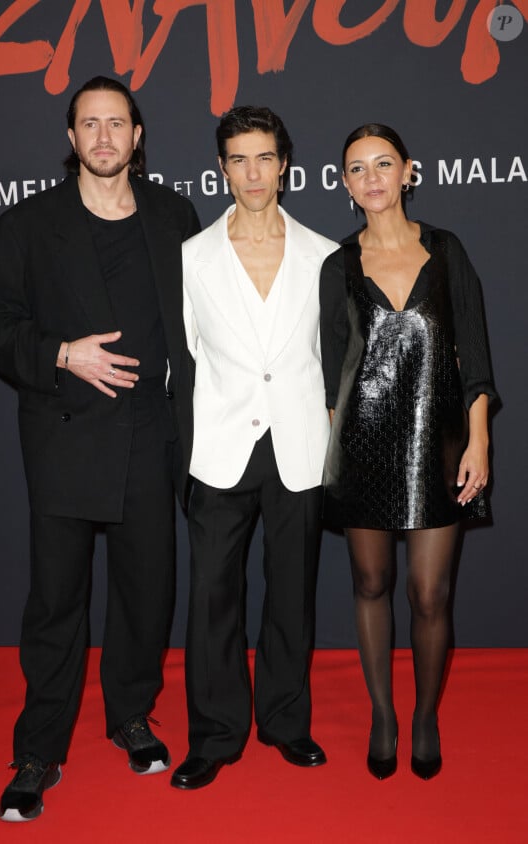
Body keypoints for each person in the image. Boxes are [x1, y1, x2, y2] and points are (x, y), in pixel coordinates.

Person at [0, 76, 200, 821]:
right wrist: (64, 353)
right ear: (71, 139)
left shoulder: (174, 215)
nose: (104, 137)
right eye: (89, 125)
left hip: (149, 438)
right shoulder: (28, 224)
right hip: (65, 439)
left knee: (146, 596)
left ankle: (131, 716)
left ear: (138, 137)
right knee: (56, 604)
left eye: (118, 124)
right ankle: (39, 749)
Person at [320, 123, 496, 781]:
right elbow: (330, 368)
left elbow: (475, 355)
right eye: (357, 168)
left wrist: (478, 442)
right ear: (345, 184)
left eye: (383, 164)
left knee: (429, 594)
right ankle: (382, 716)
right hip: (360, 446)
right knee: (371, 584)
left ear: (407, 172)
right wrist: (330, 458)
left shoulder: (447, 252)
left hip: (437, 444)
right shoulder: (336, 266)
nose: (372, 177)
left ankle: (424, 716)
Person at [170, 106, 338, 790]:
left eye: (264, 157)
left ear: (285, 164)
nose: (252, 173)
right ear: (221, 169)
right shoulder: (192, 256)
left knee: (292, 592)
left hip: (298, 443)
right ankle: (214, 734)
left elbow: (333, 360)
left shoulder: (325, 254)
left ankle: (286, 722)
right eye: (238, 159)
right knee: (211, 594)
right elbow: (185, 357)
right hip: (219, 445)